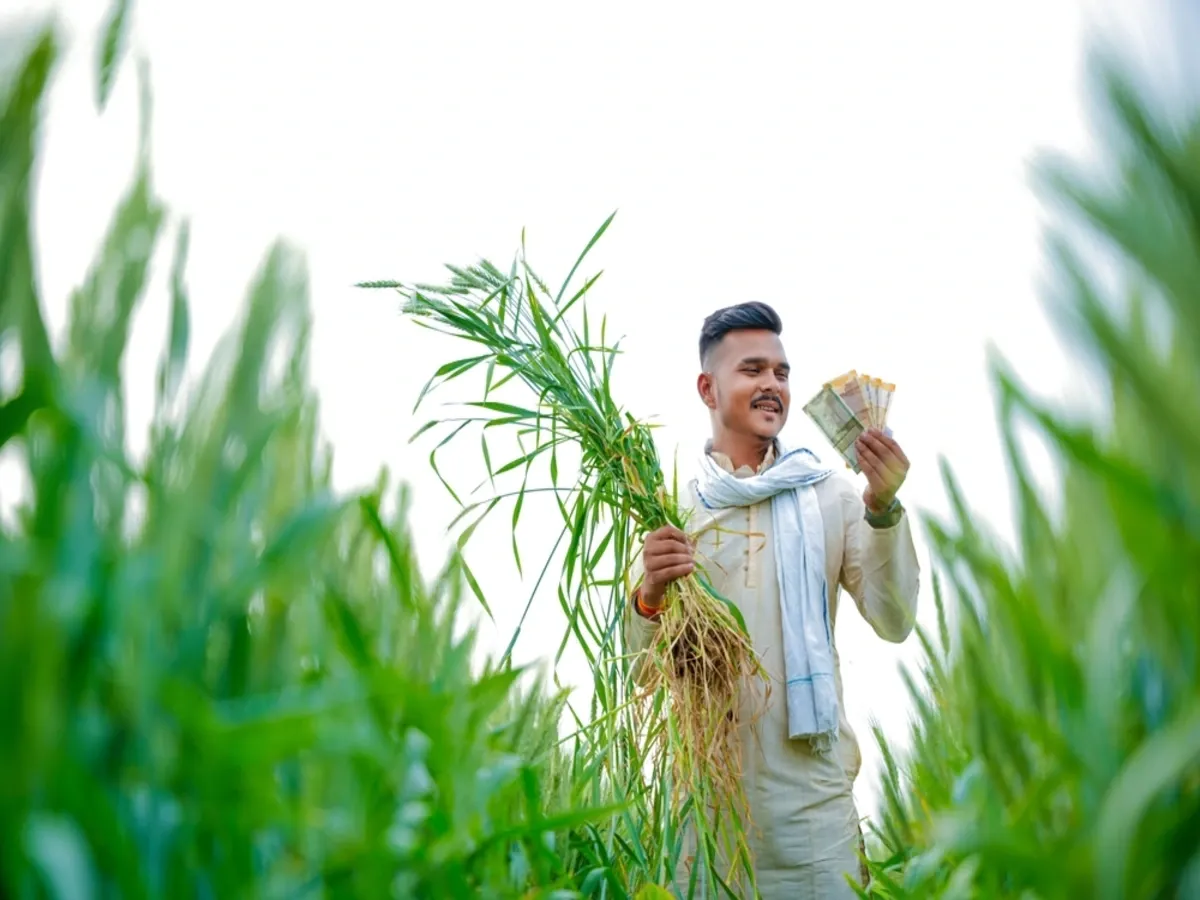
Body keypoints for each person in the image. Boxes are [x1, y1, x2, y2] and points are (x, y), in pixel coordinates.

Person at [623, 301, 919, 898]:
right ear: (708, 387)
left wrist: (883, 510)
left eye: (781, 373)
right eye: (752, 370)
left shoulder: (832, 494)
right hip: (708, 804)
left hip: (814, 806)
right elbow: (636, 670)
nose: (772, 386)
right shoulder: (671, 509)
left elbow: (895, 619)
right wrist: (649, 594)